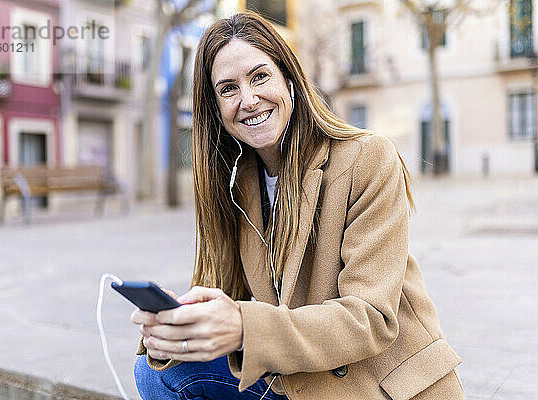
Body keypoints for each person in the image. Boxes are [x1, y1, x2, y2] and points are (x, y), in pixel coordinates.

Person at [131, 11, 465, 400]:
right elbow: (223, 296)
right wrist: (178, 331)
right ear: (217, 112)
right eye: (228, 89)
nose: (249, 100)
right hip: (300, 379)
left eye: (259, 76)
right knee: (157, 374)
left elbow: (371, 318)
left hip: (374, 386)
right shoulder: (238, 187)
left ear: (289, 80)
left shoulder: (368, 158)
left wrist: (242, 327)